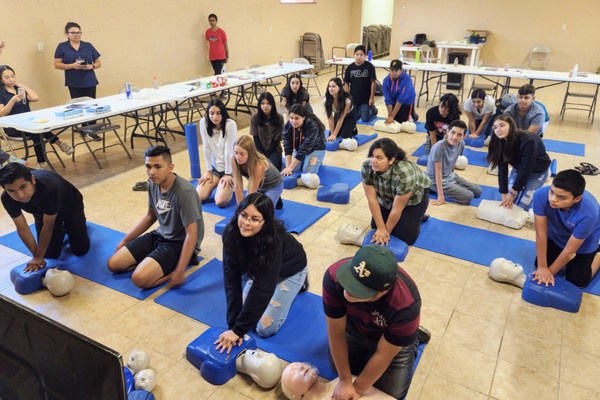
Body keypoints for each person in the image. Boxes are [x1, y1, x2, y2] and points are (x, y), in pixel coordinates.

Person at [322, 245, 427, 400]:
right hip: (356, 327)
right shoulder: (334, 275)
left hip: (386, 336)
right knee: (336, 367)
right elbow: (336, 331)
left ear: (383, 291)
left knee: (391, 393)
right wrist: (344, 380)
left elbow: (383, 355)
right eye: (350, 280)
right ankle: (402, 334)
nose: (348, 290)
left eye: (359, 289)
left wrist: (357, 389)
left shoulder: (406, 306)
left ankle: (411, 336)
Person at [215, 193, 308, 352]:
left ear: (265, 221)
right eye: (243, 215)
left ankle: (300, 283)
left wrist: (239, 331)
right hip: (261, 268)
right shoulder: (230, 234)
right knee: (243, 313)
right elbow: (231, 279)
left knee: (264, 329)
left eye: (255, 219)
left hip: (290, 269)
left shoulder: (274, 240)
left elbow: (263, 288)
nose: (246, 223)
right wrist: (233, 326)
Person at [107, 146, 204, 288]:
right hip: (160, 235)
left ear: (170, 167)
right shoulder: (153, 184)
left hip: (179, 243)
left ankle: (169, 269)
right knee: (113, 264)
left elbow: (192, 233)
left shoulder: (184, 192)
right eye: (148, 167)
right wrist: (125, 241)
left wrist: (180, 270)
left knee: (139, 279)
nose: (152, 172)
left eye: (158, 167)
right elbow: (150, 217)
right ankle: (151, 262)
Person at [0, 163, 90, 272]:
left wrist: (38, 257)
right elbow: (22, 228)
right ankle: (60, 231)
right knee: (49, 255)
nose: (20, 196)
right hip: (42, 212)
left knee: (80, 249)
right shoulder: (7, 198)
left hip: (70, 206)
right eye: (12, 191)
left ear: (33, 180)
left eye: (23, 187)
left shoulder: (50, 189)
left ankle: (72, 226)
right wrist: (37, 257)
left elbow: (48, 227)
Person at [532, 169, 600, 288]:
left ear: (577, 199)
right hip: (557, 234)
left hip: (584, 242)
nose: (553, 199)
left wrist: (549, 273)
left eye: (561, 197)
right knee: (539, 265)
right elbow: (541, 233)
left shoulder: (589, 213)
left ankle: (598, 254)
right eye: (552, 192)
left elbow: (570, 251)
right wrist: (543, 268)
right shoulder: (540, 195)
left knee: (578, 283)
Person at [0, 65, 73, 169]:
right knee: (36, 132)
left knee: (39, 129)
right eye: (7, 78)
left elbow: (35, 98)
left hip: (28, 122)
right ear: (1, 79)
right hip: (13, 127)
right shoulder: (1, 93)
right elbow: (2, 113)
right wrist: (12, 101)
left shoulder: (19, 89)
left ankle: (45, 159)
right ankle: (51, 151)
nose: (11, 79)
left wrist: (23, 86)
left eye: (13, 76)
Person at [362, 138, 431, 246]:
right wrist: (381, 228)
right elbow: (372, 199)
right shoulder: (367, 166)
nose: (373, 161)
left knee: (405, 238)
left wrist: (386, 233)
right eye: (372, 156)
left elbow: (397, 208)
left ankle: (420, 217)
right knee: (375, 228)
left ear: (391, 160)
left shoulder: (404, 173)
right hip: (387, 196)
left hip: (413, 198)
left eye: (379, 158)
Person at [487, 114, 551, 211]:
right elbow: (502, 169)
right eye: (495, 127)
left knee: (524, 204)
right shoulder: (500, 142)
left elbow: (527, 167)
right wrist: (504, 193)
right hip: (518, 168)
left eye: (502, 125)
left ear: (511, 125)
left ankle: (547, 174)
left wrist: (513, 193)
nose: (498, 129)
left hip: (538, 171)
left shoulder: (529, 140)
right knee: (508, 202)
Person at [53, 22, 102, 139]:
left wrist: (92, 66)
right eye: (73, 33)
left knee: (91, 104)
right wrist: (72, 66)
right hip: (74, 80)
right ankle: (83, 128)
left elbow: (98, 62)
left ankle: (92, 129)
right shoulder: (62, 47)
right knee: (78, 105)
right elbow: (57, 65)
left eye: (79, 32)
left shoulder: (88, 45)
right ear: (67, 34)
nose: (76, 35)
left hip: (89, 79)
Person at [426, 120, 482, 205]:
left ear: (464, 136)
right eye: (453, 132)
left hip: (450, 176)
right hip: (435, 180)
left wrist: (453, 178)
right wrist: (440, 196)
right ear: (447, 132)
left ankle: (452, 186)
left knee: (478, 191)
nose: (455, 137)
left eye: (459, 134)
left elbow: (453, 161)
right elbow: (438, 172)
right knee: (469, 197)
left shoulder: (461, 144)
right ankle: (431, 189)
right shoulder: (439, 147)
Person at [196, 99, 236, 207]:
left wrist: (228, 174)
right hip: (215, 170)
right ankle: (219, 183)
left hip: (230, 170)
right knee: (197, 197)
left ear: (223, 113)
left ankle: (231, 188)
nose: (215, 117)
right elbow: (206, 147)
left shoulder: (230, 124)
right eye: (211, 113)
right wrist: (208, 170)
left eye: (218, 113)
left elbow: (229, 150)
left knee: (220, 202)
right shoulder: (203, 122)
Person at [281, 362, 394, 400]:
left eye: (300, 364)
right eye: (293, 372)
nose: (301, 366)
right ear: (294, 395)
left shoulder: (345, 382)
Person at [232, 135, 283, 208]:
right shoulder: (234, 160)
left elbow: (251, 193)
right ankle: (271, 198)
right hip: (259, 185)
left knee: (262, 210)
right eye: (236, 153)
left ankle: (274, 197)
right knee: (245, 206)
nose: (238, 157)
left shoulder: (258, 166)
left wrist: (246, 209)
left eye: (242, 154)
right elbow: (238, 187)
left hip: (273, 185)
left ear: (250, 153)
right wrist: (240, 210)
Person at [281, 104, 326, 177]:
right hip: (300, 149)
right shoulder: (288, 126)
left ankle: (318, 159)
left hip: (316, 149)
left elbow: (305, 149)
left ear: (303, 117)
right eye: (291, 118)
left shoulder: (312, 126)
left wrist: (290, 168)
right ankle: (305, 160)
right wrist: (288, 167)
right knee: (294, 170)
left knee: (307, 173)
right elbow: (287, 147)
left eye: (297, 118)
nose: (293, 121)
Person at [249, 92, 284, 171]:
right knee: (256, 169)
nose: (265, 106)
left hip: (274, 149)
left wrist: (267, 155)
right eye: (263, 103)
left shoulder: (279, 118)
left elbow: (277, 139)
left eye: (268, 103)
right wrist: (262, 155)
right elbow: (255, 138)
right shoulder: (254, 118)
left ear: (272, 104)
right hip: (259, 150)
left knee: (273, 169)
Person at [343, 45, 378, 122]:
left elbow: (373, 82)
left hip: (365, 99)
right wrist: (346, 98)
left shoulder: (370, 67)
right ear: (354, 55)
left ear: (365, 55)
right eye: (357, 54)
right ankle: (359, 111)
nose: (359, 57)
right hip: (354, 98)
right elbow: (346, 83)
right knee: (353, 117)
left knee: (365, 119)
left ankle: (373, 110)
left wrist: (371, 98)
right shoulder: (350, 68)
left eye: (361, 55)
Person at [382, 59, 415, 125]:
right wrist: (390, 116)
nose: (393, 72)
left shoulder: (407, 80)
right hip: (394, 101)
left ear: (401, 70)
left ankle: (413, 114)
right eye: (392, 70)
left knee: (402, 123)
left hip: (406, 102)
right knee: (394, 121)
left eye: (396, 70)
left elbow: (401, 99)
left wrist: (392, 116)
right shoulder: (386, 80)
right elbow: (388, 99)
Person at [325, 77, 358, 141]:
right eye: (329, 86)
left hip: (350, 115)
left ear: (339, 88)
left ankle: (353, 128)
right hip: (338, 114)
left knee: (344, 137)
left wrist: (335, 135)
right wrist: (332, 134)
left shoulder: (347, 100)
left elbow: (341, 118)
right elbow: (330, 118)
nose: (331, 89)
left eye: (333, 86)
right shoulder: (327, 100)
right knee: (333, 134)